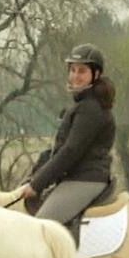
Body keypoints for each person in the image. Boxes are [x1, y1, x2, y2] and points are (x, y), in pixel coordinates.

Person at [16, 43, 116, 244]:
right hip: (75, 177)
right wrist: (34, 177)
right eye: (73, 70)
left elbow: (70, 151)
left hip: (85, 180)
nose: (75, 76)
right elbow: (57, 150)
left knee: (41, 228)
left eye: (82, 71)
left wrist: (37, 184)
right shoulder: (82, 106)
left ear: (96, 74)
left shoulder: (90, 109)